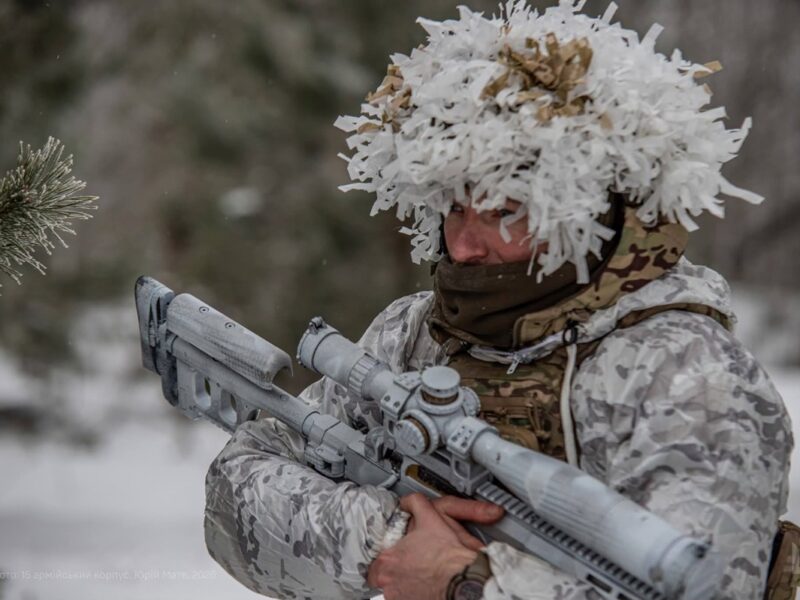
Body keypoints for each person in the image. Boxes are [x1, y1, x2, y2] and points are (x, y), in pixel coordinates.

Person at [202, 2, 796, 599]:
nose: (461, 245)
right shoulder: (415, 333)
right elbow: (238, 487)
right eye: (454, 206)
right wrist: (386, 545)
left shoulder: (692, 376)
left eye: (504, 210)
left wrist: (468, 585)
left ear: (593, 210)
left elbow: (708, 587)